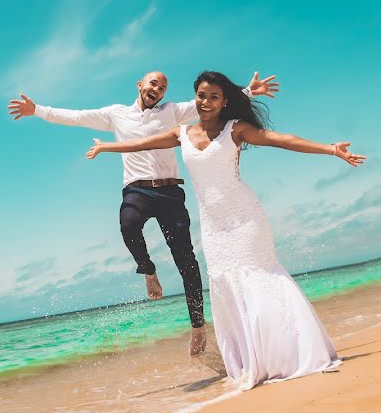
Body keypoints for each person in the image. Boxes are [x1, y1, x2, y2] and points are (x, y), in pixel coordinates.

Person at [86, 71, 365, 389]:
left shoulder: (236, 129)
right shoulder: (182, 134)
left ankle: (288, 353)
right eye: (201, 96)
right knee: (225, 284)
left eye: (214, 97)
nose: (206, 102)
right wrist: (106, 148)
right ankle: (249, 359)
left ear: (225, 101)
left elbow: (281, 140)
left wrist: (331, 149)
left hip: (244, 217)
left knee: (259, 277)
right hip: (214, 224)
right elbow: (138, 144)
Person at [8, 71, 280, 355]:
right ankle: (148, 270)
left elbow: (207, 103)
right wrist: (37, 110)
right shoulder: (116, 114)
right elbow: (77, 117)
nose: (157, 89)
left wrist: (248, 90)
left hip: (170, 193)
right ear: (140, 85)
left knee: (186, 260)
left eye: (162, 87)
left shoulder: (172, 112)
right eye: (153, 83)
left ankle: (198, 327)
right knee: (128, 224)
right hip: (137, 191)